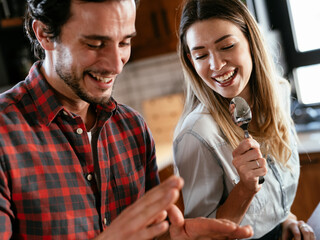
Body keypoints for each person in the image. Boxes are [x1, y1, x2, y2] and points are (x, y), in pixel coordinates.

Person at [0, 0, 254, 239]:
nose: (116, 65)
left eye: (124, 42)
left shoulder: (132, 128)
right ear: (44, 33)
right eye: (95, 44)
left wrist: (172, 237)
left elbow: (152, 232)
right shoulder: (5, 134)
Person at [173, 0, 315, 239]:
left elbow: (270, 201)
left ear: (251, 40)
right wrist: (245, 189)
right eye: (200, 55)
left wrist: (285, 218)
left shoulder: (278, 95)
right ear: (190, 60)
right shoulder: (197, 134)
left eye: (226, 46)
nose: (216, 65)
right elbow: (204, 237)